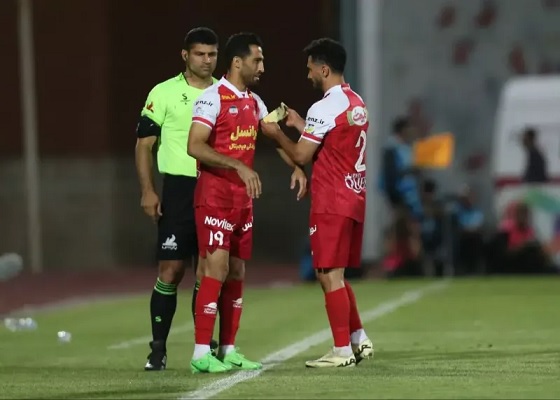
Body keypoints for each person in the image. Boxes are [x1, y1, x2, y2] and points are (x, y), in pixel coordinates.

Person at [186, 32, 307, 373]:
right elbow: (195, 145)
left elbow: (272, 135)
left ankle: (227, 349)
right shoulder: (212, 98)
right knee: (216, 268)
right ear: (238, 62)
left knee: (237, 271)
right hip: (214, 197)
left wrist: (297, 167)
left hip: (243, 201)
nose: (262, 67)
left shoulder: (255, 102)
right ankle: (200, 354)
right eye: (258, 60)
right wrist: (238, 165)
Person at [261, 38, 374, 368]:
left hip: (331, 199)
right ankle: (358, 338)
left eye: (310, 68)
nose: (307, 74)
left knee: (328, 275)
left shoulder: (323, 107)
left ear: (324, 69)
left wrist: (276, 134)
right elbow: (335, 142)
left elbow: (301, 155)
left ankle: (341, 351)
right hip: (354, 197)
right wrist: (301, 125)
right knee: (337, 274)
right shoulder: (355, 102)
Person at [134, 27, 220, 371]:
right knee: (171, 269)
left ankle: (204, 347)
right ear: (185, 55)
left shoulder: (224, 92)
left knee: (209, 270)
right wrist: (148, 189)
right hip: (178, 190)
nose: (207, 60)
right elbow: (144, 145)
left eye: (212, 54)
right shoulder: (164, 92)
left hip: (214, 187)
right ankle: (158, 350)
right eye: (200, 53)